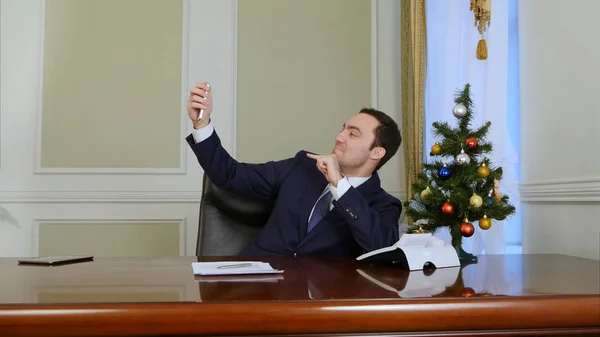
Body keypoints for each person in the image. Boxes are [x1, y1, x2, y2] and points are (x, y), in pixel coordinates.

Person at [186, 81, 403, 257]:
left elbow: (381, 247)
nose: (339, 137)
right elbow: (229, 174)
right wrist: (201, 124)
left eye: (353, 134)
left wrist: (341, 186)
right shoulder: (301, 167)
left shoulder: (384, 206)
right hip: (254, 288)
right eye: (342, 129)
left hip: (317, 304)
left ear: (376, 153)